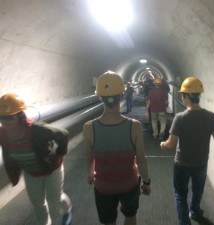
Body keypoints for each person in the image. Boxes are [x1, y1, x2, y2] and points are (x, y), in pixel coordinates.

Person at [160, 77, 214, 225]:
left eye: (182, 94)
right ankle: (195, 210)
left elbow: (171, 144)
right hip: (201, 163)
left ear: (185, 96)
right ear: (199, 96)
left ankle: (185, 222)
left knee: (180, 194)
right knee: (197, 190)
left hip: (181, 164)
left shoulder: (180, 118)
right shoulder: (211, 117)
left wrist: (163, 144)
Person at [82, 71, 151, 225]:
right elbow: (141, 159)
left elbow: (89, 158)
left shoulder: (89, 128)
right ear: (122, 96)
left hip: (103, 185)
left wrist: (90, 173)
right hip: (129, 184)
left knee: (108, 221)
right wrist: (146, 182)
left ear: (100, 97)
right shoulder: (135, 126)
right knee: (130, 216)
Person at [0, 93, 72, 225]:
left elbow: (63, 134)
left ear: (20, 116)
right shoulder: (2, 134)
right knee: (38, 204)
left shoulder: (36, 129)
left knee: (55, 199)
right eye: (2, 117)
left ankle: (67, 211)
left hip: (51, 169)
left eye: (10, 117)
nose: (5, 121)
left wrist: (61, 153)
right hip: (31, 173)